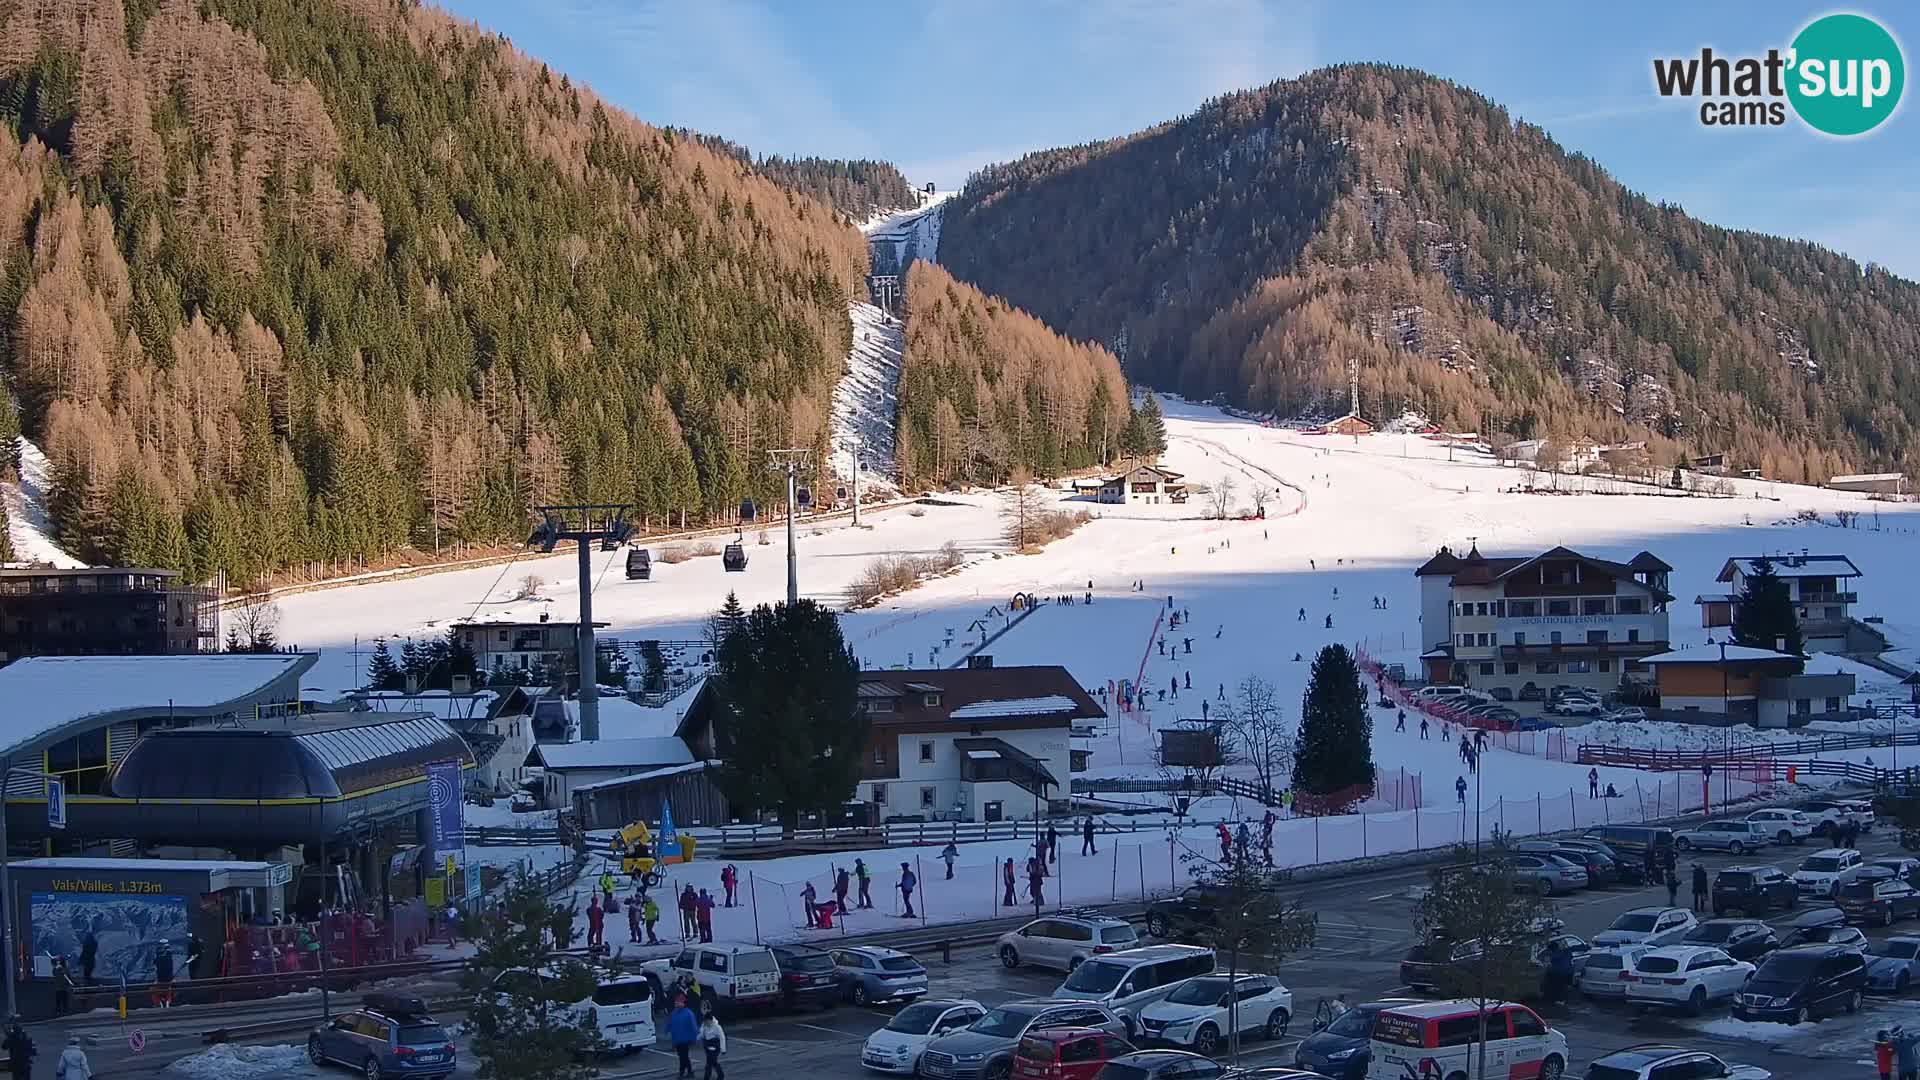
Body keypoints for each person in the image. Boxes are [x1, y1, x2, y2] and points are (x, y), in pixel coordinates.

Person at [669, 995, 699, 1078]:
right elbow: (671, 1023)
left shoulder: (688, 1013)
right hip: (678, 1039)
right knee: (684, 1057)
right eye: (676, 1002)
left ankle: (682, 1072)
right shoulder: (675, 1012)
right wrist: (667, 1029)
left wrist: (694, 1038)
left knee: (683, 1057)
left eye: (678, 1002)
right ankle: (689, 1072)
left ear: (683, 1003)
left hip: (685, 1039)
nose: (676, 1003)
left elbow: (694, 1027)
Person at [700, 1012, 727, 1080]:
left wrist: (723, 1049)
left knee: (709, 1063)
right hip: (707, 1046)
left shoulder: (717, 1027)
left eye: (706, 1021)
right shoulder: (704, 1026)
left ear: (710, 1020)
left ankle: (707, 1077)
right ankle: (721, 1075)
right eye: (704, 1021)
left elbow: (722, 1037)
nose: (705, 1022)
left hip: (715, 1046)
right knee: (713, 1062)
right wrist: (695, 1039)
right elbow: (701, 1034)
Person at [152, 941, 176, 1007]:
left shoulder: (161, 957)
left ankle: (161, 1002)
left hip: (162, 979)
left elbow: (155, 964)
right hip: (167, 979)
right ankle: (166, 1002)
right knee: (168, 989)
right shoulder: (169, 955)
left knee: (155, 990)